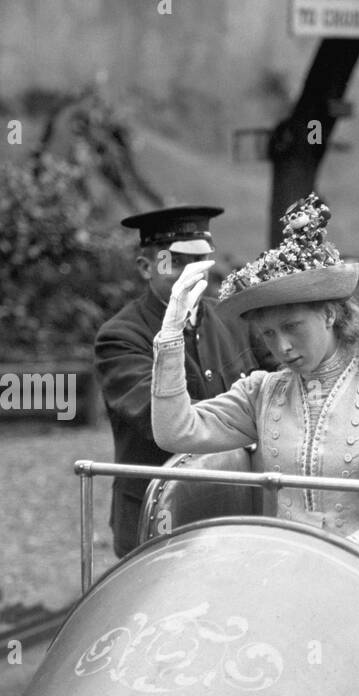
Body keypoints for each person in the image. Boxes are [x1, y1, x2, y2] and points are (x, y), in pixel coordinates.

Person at [150, 195, 359, 552]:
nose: (282, 348)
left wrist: (358, 546)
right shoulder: (262, 393)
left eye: (292, 327)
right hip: (282, 569)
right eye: (268, 334)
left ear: (329, 314)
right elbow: (175, 431)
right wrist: (171, 334)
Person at [95, 205, 257, 557]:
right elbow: (158, 418)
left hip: (236, 506)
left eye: (200, 260)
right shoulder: (121, 336)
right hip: (157, 512)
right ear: (145, 267)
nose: (192, 273)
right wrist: (247, 420)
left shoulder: (236, 319)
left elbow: (278, 390)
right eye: (178, 262)